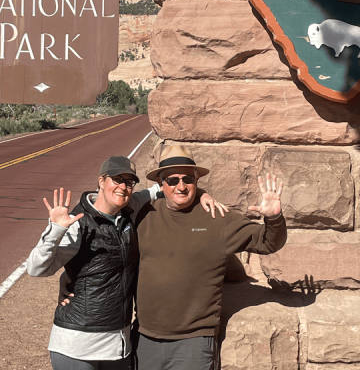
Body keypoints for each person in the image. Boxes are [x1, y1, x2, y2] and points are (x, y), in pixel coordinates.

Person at [28, 155, 226, 370]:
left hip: (117, 345)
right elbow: (37, 268)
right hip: (78, 345)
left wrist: (203, 193)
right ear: (101, 181)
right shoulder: (78, 223)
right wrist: (56, 230)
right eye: (116, 179)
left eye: (129, 182)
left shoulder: (130, 209)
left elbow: (165, 187)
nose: (123, 187)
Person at [133, 144, 287, 370]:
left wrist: (274, 218)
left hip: (194, 343)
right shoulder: (145, 215)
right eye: (173, 180)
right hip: (145, 340)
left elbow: (267, 242)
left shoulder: (217, 218)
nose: (181, 186)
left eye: (188, 179)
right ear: (161, 184)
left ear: (197, 180)